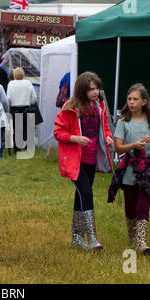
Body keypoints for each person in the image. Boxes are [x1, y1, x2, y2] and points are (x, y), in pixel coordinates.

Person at [54, 71, 114, 250]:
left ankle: (77, 237)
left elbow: (105, 127)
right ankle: (92, 237)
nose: (95, 92)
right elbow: (58, 133)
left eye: (97, 88)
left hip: (91, 158)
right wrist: (75, 138)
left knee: (80, 196)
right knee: (86, 193)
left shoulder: (99, 106)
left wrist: (108, 137)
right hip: (75, 160)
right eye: (91, 89)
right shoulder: (70, 108)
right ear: (82, 90)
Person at [110, 83, 150, 255]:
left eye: (135, 99)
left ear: (144, 101)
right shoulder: (123, 122)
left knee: (143, 205)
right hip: (129, 170)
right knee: (130, 207)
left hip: (147, 171)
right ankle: (133, 238)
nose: (131, 102)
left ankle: (141, 241)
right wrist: (133, 145)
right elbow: (118, 148)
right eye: (129, 99)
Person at [7, 68, 37, 153]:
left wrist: (11, 104)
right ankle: (28, 146)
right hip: (26, 107)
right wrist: (29, 102)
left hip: (14, 108)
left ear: (14, 75)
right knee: (27, 128)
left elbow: (8, 98)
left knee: (16, 129)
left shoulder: (11, 83)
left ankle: (17, 148)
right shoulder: (28, 83)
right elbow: (34, 97)